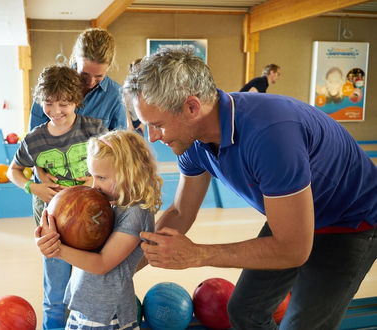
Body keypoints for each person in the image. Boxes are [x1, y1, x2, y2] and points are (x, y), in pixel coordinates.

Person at [123, 47, 377, 329]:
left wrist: (198, 254)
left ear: (192, 107)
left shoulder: (270, 135)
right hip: (295, 218)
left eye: (157, 125)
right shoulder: (191, 140)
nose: (153, 137)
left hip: (351, 222)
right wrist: (121, 271)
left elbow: (293, 248)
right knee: (245, 311)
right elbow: (181, 211)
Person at [7, 65, 107, 330]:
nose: (56, 111)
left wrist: (95, 180)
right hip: (52, 226)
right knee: (55, 293)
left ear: (76, 101)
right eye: (48, 103)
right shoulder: (34, 140)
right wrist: (33, 187)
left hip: (92, 223)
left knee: (91, 286)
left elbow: (114, 166)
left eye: (64, 103)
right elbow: (12, 171)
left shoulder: (95, 130)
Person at [35, 130, 162, 329]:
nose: (95, 185)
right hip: (87, 304)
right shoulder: (110, 203)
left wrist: (57, 249)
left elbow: (103, 263)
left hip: (106, 312)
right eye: (92, 176)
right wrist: (53, 233)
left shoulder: (136, 213)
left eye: (102, 177)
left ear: (130, 173)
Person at [29, 28, 126, 132]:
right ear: (76, 58)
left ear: (109, 67)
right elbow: (33, 136)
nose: (90, 82)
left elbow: (119, 143)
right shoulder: (51, 84)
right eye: (84, 74)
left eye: (98, 76)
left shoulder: (116, 95)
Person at [124, 58, 145, 136]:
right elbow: (125, 106)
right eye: (136, 69)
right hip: (129, 119)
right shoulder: (127, 86)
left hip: (140, 119)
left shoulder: (145, 85)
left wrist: (142, 123)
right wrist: (129, 123)